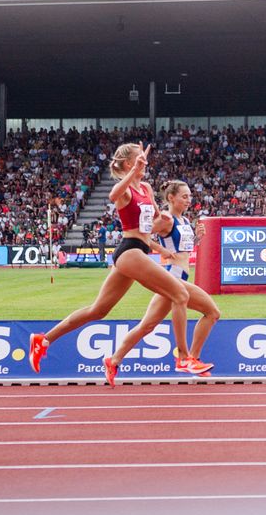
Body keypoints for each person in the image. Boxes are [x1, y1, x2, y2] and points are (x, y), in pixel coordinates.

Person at [30, 143, 197, 386]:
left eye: (144, 160)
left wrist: (163, 237)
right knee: (180, 294)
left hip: (138, 250)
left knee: (98, 310)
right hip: (128, 252)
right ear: (129, 164)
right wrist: (132, 173)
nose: (145, 163)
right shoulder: (126, 189)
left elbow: (152, 224)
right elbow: (113, 195)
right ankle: (183, 357)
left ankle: (43, 340)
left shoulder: (146, 188)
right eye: (139, 160)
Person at [151, 180, 220, 375]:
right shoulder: (166, 219)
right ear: (171, 198)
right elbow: (141, 236)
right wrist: (160, 249)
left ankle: (113, 359)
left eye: (189, 196)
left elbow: (183, 250)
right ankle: (191, 359)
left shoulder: (185, 221)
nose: (189, 200)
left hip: (180, 275)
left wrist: (198, 238)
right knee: (212, 312)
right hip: (172, 276)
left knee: (147, 325)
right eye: (184, 196)